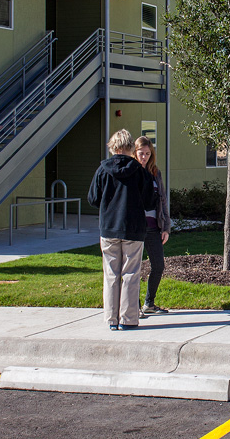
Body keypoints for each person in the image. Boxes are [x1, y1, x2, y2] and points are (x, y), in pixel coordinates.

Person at [87, 129, 157, 330]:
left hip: (109, 228)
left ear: (113, 147)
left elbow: (93, 198)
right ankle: (128, 319)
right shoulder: (140, 172)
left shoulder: (102, 170)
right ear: (129, 148)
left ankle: (111, 319)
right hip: (133, 229)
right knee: (131, 274)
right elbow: (150, 201)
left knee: (111, 275)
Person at [132, 136, 171, 316]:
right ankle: (134, 306)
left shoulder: (155, 173)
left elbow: (162, 200)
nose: (144, 157)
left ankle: (149, 302)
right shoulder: (131, 172)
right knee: (134, 268)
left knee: (158, 265)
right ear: (135, 153)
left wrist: (166, 227)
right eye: (141, 153)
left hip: (154, 226)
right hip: (136, 227)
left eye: (148, 154)